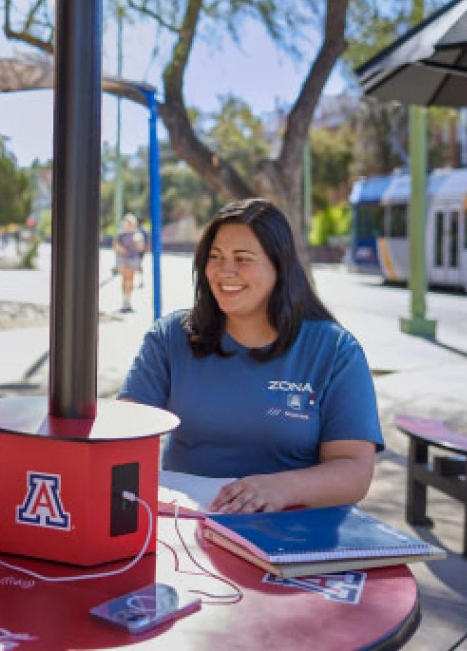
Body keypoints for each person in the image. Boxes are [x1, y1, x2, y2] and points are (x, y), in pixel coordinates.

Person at [120, 199, 382, 514]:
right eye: (215, 257)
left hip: (294, 531)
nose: (225, 270)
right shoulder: (169, 338)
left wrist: (281, 488)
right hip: (186, 527)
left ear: (279, 267)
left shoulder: (335, 351)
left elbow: (354, 469)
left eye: (242, 258)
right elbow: (124, 436)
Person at [112, 213, 145, 312]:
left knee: (130, 280)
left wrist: (138, 243)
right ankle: (125, 301)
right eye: (127, 223)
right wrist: (122, 249)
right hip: (123, 259)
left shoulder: (137, 234)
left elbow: (141, 248)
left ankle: (128, 301)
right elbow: (115, 246)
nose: (128, 225)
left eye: (130, 223)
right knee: (125, 279)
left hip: (133, 259)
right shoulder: (120, 234)